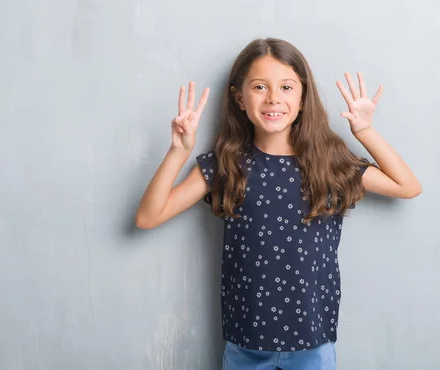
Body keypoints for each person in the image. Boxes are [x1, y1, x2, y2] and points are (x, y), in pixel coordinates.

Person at [135, 37, 421, 370]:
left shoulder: (328, 161)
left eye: (286, 87)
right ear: (240, 98)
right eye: (259, 87)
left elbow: (408, 186)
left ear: (302, 98)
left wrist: (365, 131)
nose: (273, 98)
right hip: (246, 344)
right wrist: (178, 151)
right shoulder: (225, 164)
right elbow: (148, 217)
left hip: (313, 342)